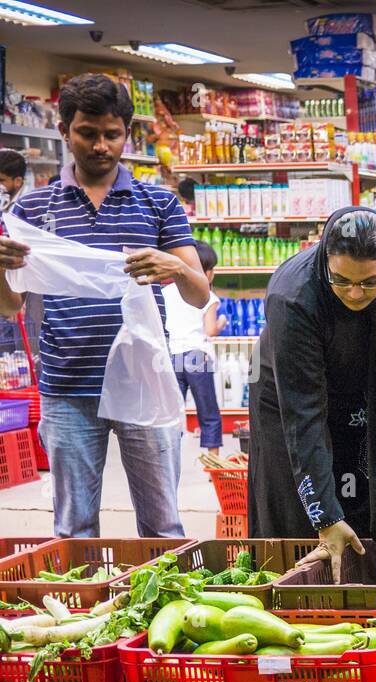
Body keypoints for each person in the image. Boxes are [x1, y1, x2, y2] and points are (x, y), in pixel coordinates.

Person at [0, 73, 207, 539]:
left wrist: (172, 267)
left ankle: (166, 608)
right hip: (67, 387)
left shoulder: (158, 204)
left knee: (164, 526)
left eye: (111, 135)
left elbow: (198, 294)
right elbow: (11, 304)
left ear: (126, 135)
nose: (100, 146)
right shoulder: (32, 212)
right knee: (73, 528)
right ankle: (86, 611)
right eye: (87, 133)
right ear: (65, 131)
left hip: (145, 381)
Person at [249, 207, 376, 579]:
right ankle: (303, 594)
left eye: (370, 283)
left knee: (373, 482)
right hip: (291, 394)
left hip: (368, 385)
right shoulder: (294, 297)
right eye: (341, 280)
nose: (354, 293)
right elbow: (304, 416)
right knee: (301, 511)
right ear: (324, 260)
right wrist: (326, 517)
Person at [163, 238, 223, 460]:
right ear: (205, 273)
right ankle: (213, 458)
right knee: (208, 410)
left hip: (172, 356)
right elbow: (209, 330)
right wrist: (222, 323)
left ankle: (169, 459)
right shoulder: (207, 296)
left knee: (173, 413)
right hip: (197, 356)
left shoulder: (167, 292)